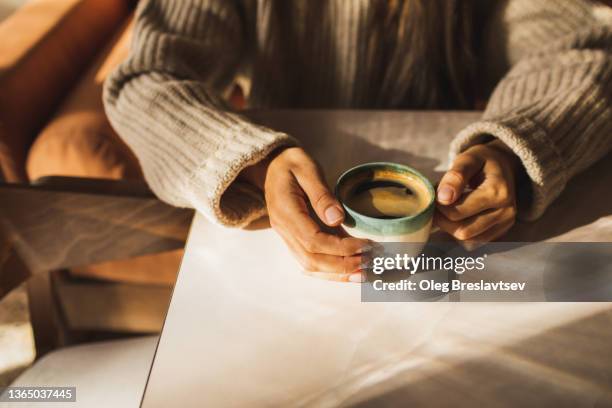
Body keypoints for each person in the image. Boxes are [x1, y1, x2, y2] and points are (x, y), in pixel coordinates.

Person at [103, 0, 612, 283]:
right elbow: (145, 78)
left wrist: (513, 145)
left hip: (458, 257)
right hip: (277, 253)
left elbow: (582, 49)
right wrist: (253, 162)